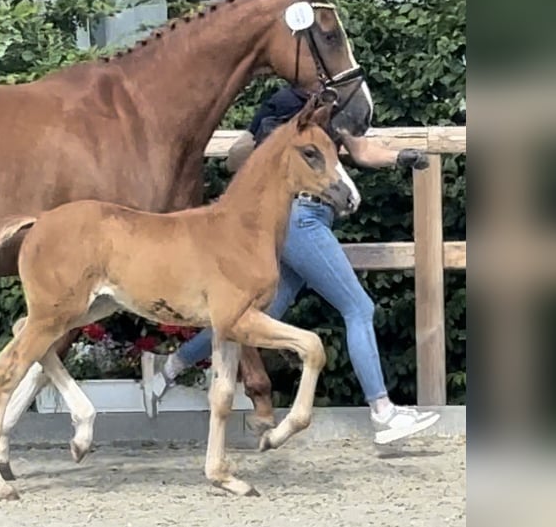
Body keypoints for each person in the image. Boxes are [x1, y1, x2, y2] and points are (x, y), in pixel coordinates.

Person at [141, 84, 440, 445]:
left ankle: (168, 369)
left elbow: (362, 150)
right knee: (359, 307)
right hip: (301, 219)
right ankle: (383, 412)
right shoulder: (284, 104)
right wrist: (267, 142)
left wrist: (401, 157)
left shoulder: (333, 110)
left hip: (305, 220)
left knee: (251, 315)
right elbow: (237, 157)